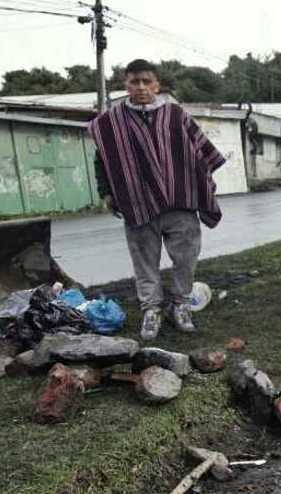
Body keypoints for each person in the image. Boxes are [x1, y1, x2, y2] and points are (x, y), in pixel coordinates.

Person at [89, 58, 225, 341]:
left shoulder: (177, 116)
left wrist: (203, 186)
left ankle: (180, 305)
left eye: (146, 81)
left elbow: (200, 153)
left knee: (185, 258)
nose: (140, 87)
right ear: (126, 85)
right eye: (134, 82)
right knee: (144, 261)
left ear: (157, 85)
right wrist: (106, 192)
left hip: (181, 201)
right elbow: (102, 161)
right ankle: (151, 309)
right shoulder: (109, 123)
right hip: (137, 204)